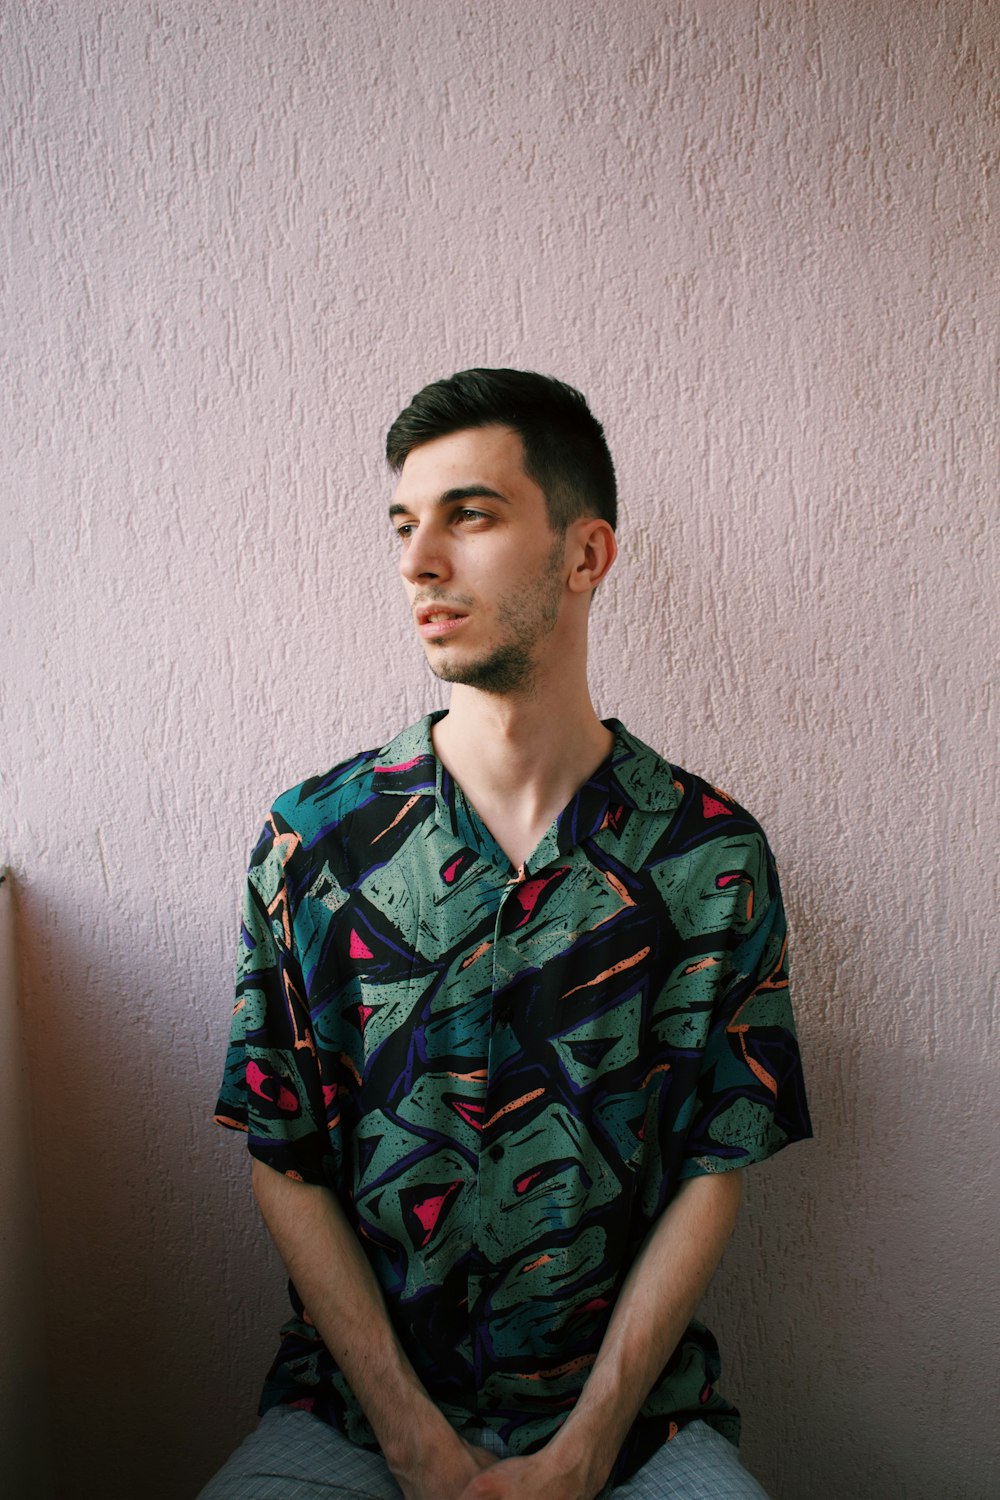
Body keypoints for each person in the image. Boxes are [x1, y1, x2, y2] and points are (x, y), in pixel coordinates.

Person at [201, 369, 811, 1500]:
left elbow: (713, 1168)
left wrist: (581, 1454)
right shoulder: (315, 843)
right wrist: (408, 1441)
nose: (416, 561)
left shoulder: (708, 857)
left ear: (585, 556)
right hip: (350, 1419)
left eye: (467, 516)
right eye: (403, 525)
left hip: (634, 1435)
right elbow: (283, 1158)